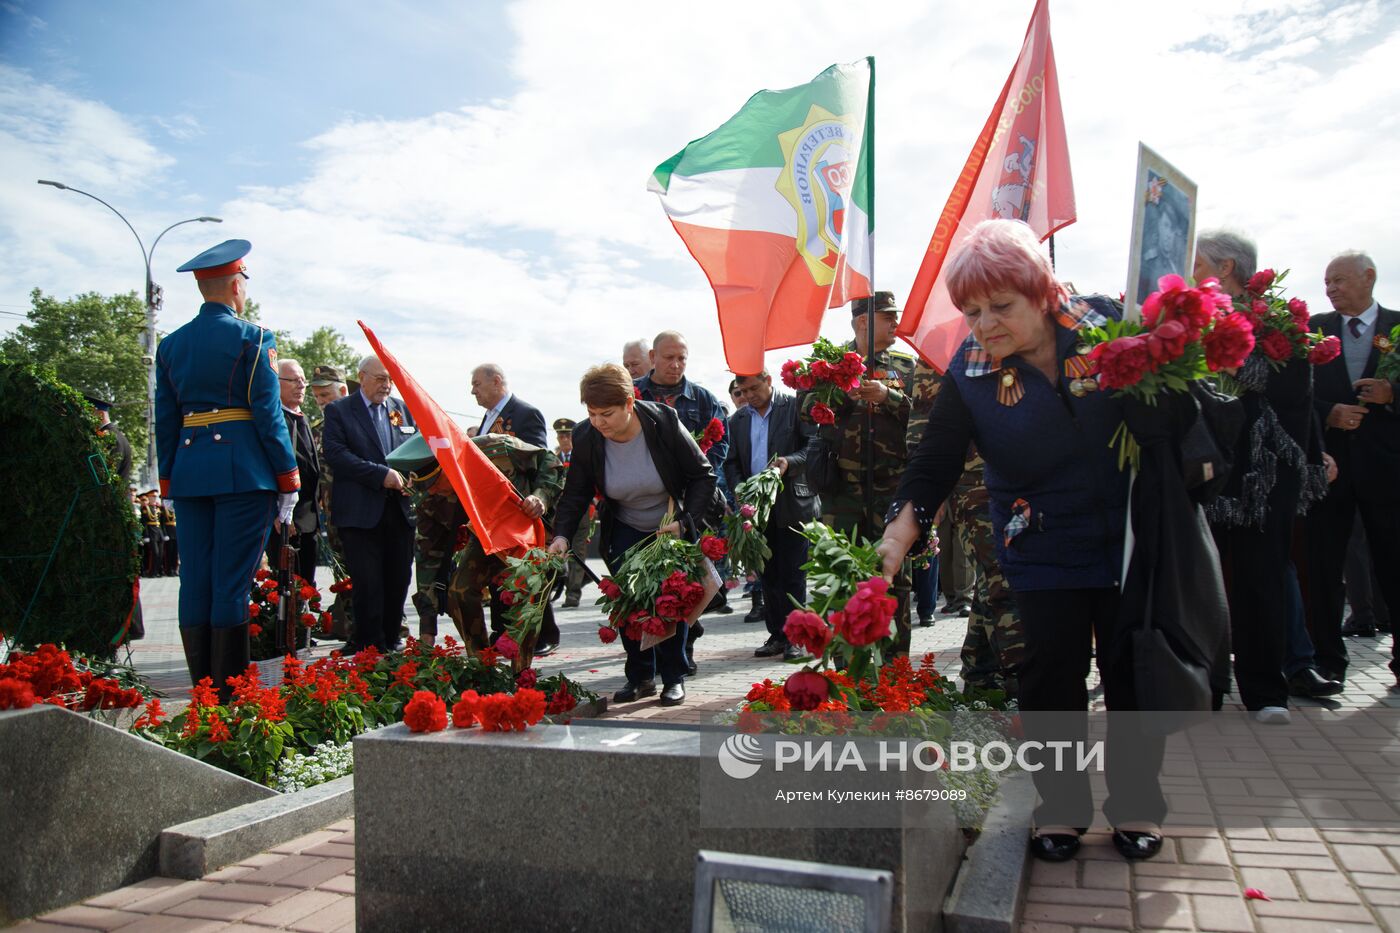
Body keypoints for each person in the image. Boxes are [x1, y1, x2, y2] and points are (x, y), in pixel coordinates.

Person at [878, 219, 1190, 863]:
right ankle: (1062, 809)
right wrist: (897, 537)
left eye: (1000, 306)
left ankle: (1137, 806)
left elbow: (1176, 413)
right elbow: (933, 463)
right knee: (1050, 678)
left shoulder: (1111, 328)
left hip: (1129, 534)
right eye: (970, 311)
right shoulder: (969, 371)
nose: (984, 324)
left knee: (1132, 670)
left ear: (1042, 293)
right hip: (1040, 540)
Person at [1194, 231, 1331, 723]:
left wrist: (1236, 361)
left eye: (1199, 262)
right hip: (1203, 472)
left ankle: (1266, 690)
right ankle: (1204, 687)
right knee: (1200, 583)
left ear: (1226, 268)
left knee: (1261, 580)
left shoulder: (1279, 323)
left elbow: (1296, 393)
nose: (1191, 272)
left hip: (1263, 476)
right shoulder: (1186, 318)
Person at [154, 239, 300, 702]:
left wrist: (168, 478)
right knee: (231, 584)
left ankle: (203, 691)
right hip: (245, 473)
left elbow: (166, 419)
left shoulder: (171, 344)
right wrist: (288, 477)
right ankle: (231, 697)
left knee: (195, 578)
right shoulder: (254, 337)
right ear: (237, 285)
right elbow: (268, 412)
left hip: (192, 472)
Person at [549, 363, 716, 707]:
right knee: (628, 604)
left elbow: (703, 476)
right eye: (592, 413)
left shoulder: (663, 421)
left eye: (606, 414)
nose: (598, 422)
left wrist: (685, 523)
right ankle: (640, 677)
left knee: (669, 601)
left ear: (628, 403)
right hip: (625, 524)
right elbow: (576, 493)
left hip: (668, 524)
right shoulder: (585, 436)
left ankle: (673, 678)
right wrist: (562, 535)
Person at [1305, 251, 1400, 689]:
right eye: (1327, 283)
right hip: (1331, 472)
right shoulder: (1312, 332)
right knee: (1324, 569)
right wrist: (1328, 414)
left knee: (1393, 565)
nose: (1331, 289)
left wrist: (1391, 394)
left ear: (1370, 278)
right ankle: (1327, 661)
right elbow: (1293, 397)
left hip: (1387, 473)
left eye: (1339, 280)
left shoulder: (1398, 329)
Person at [807, 291, 917, 652]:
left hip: (891, 488)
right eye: (888, 318)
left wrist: (889, 397)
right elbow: (806, 414)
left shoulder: (904, 365)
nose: (896, 325)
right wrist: (841, 396)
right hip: (844, 492)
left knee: (895, 578)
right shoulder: (830, 364)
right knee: (845, 575)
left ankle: (896, 668)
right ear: (863, 322)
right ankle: (849, 669)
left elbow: (922, 417)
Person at [907, 362, 1023, 694]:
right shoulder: (942, 352)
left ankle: (979, 675)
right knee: (1002, 578)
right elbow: (921, 431)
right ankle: (1022, 688)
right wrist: (930, 493)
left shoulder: (1024, 340)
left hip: (1027, 481)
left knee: (993, 582)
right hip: (973, 484)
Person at [321, 354, 418, 652]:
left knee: (399, 577)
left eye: (389, 379)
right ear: (361, 377)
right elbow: (336, 454)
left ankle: (390, 638)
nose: (386, 385)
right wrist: (380, 475)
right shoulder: (340, 411)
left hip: (398, 511)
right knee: (368, 582)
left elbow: (413, 448)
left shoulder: (400, 410)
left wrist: (413, 477)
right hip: (361, 512)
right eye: (380, 378)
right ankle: (368, 644)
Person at [725, 370, 818, 662]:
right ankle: (777, 634)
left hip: (791, 503)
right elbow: (731, 462)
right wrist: (740, 487)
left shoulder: (794, 407)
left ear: (768, 380)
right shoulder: (737, 420)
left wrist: (787, 464)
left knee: (793, 573)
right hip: (757, 507)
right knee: (769, 575)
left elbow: (812, 447)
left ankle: (797, 638)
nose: (749, 396)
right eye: (743, 391)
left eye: (754, 388)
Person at [263, 359, 321, 584]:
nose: (301, 386)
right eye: (294, 380)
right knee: (287, 587)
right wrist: (279, 511)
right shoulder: (273, 419)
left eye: (303, 381)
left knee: (306, 585)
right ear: (275, 383)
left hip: (309, 520)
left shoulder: (302, 418)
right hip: (286, 520)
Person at [308, 365, 354, 640]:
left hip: (357, 509)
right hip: (330, 511)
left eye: (326, 394)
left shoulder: (357, 423)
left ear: (343, 391)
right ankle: (344, 623)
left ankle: (361, 626)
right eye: (317, 397)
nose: (322, 401)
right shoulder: (316, 430)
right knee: (341, 568)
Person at [553, 417, 594, 608]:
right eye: (561, 436)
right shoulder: (553, 459)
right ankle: (568, 583)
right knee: (559, 552)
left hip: (582, 511)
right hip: (558, 512)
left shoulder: (582, 455)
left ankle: (573, 595)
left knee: (577, 552)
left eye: (568, 435)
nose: (564, 439)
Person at [471, 363, 548, 448]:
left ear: (496, 382)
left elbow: (538, 457)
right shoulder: (489, 415)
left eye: (477, 384)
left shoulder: (527, 414)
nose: (473, 391)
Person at [84, 392, 132, 484]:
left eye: (89, 413)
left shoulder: (111, 438)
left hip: (109, 497)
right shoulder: (114, 434)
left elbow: (107, 474)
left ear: (101, 414)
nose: (85, 417)